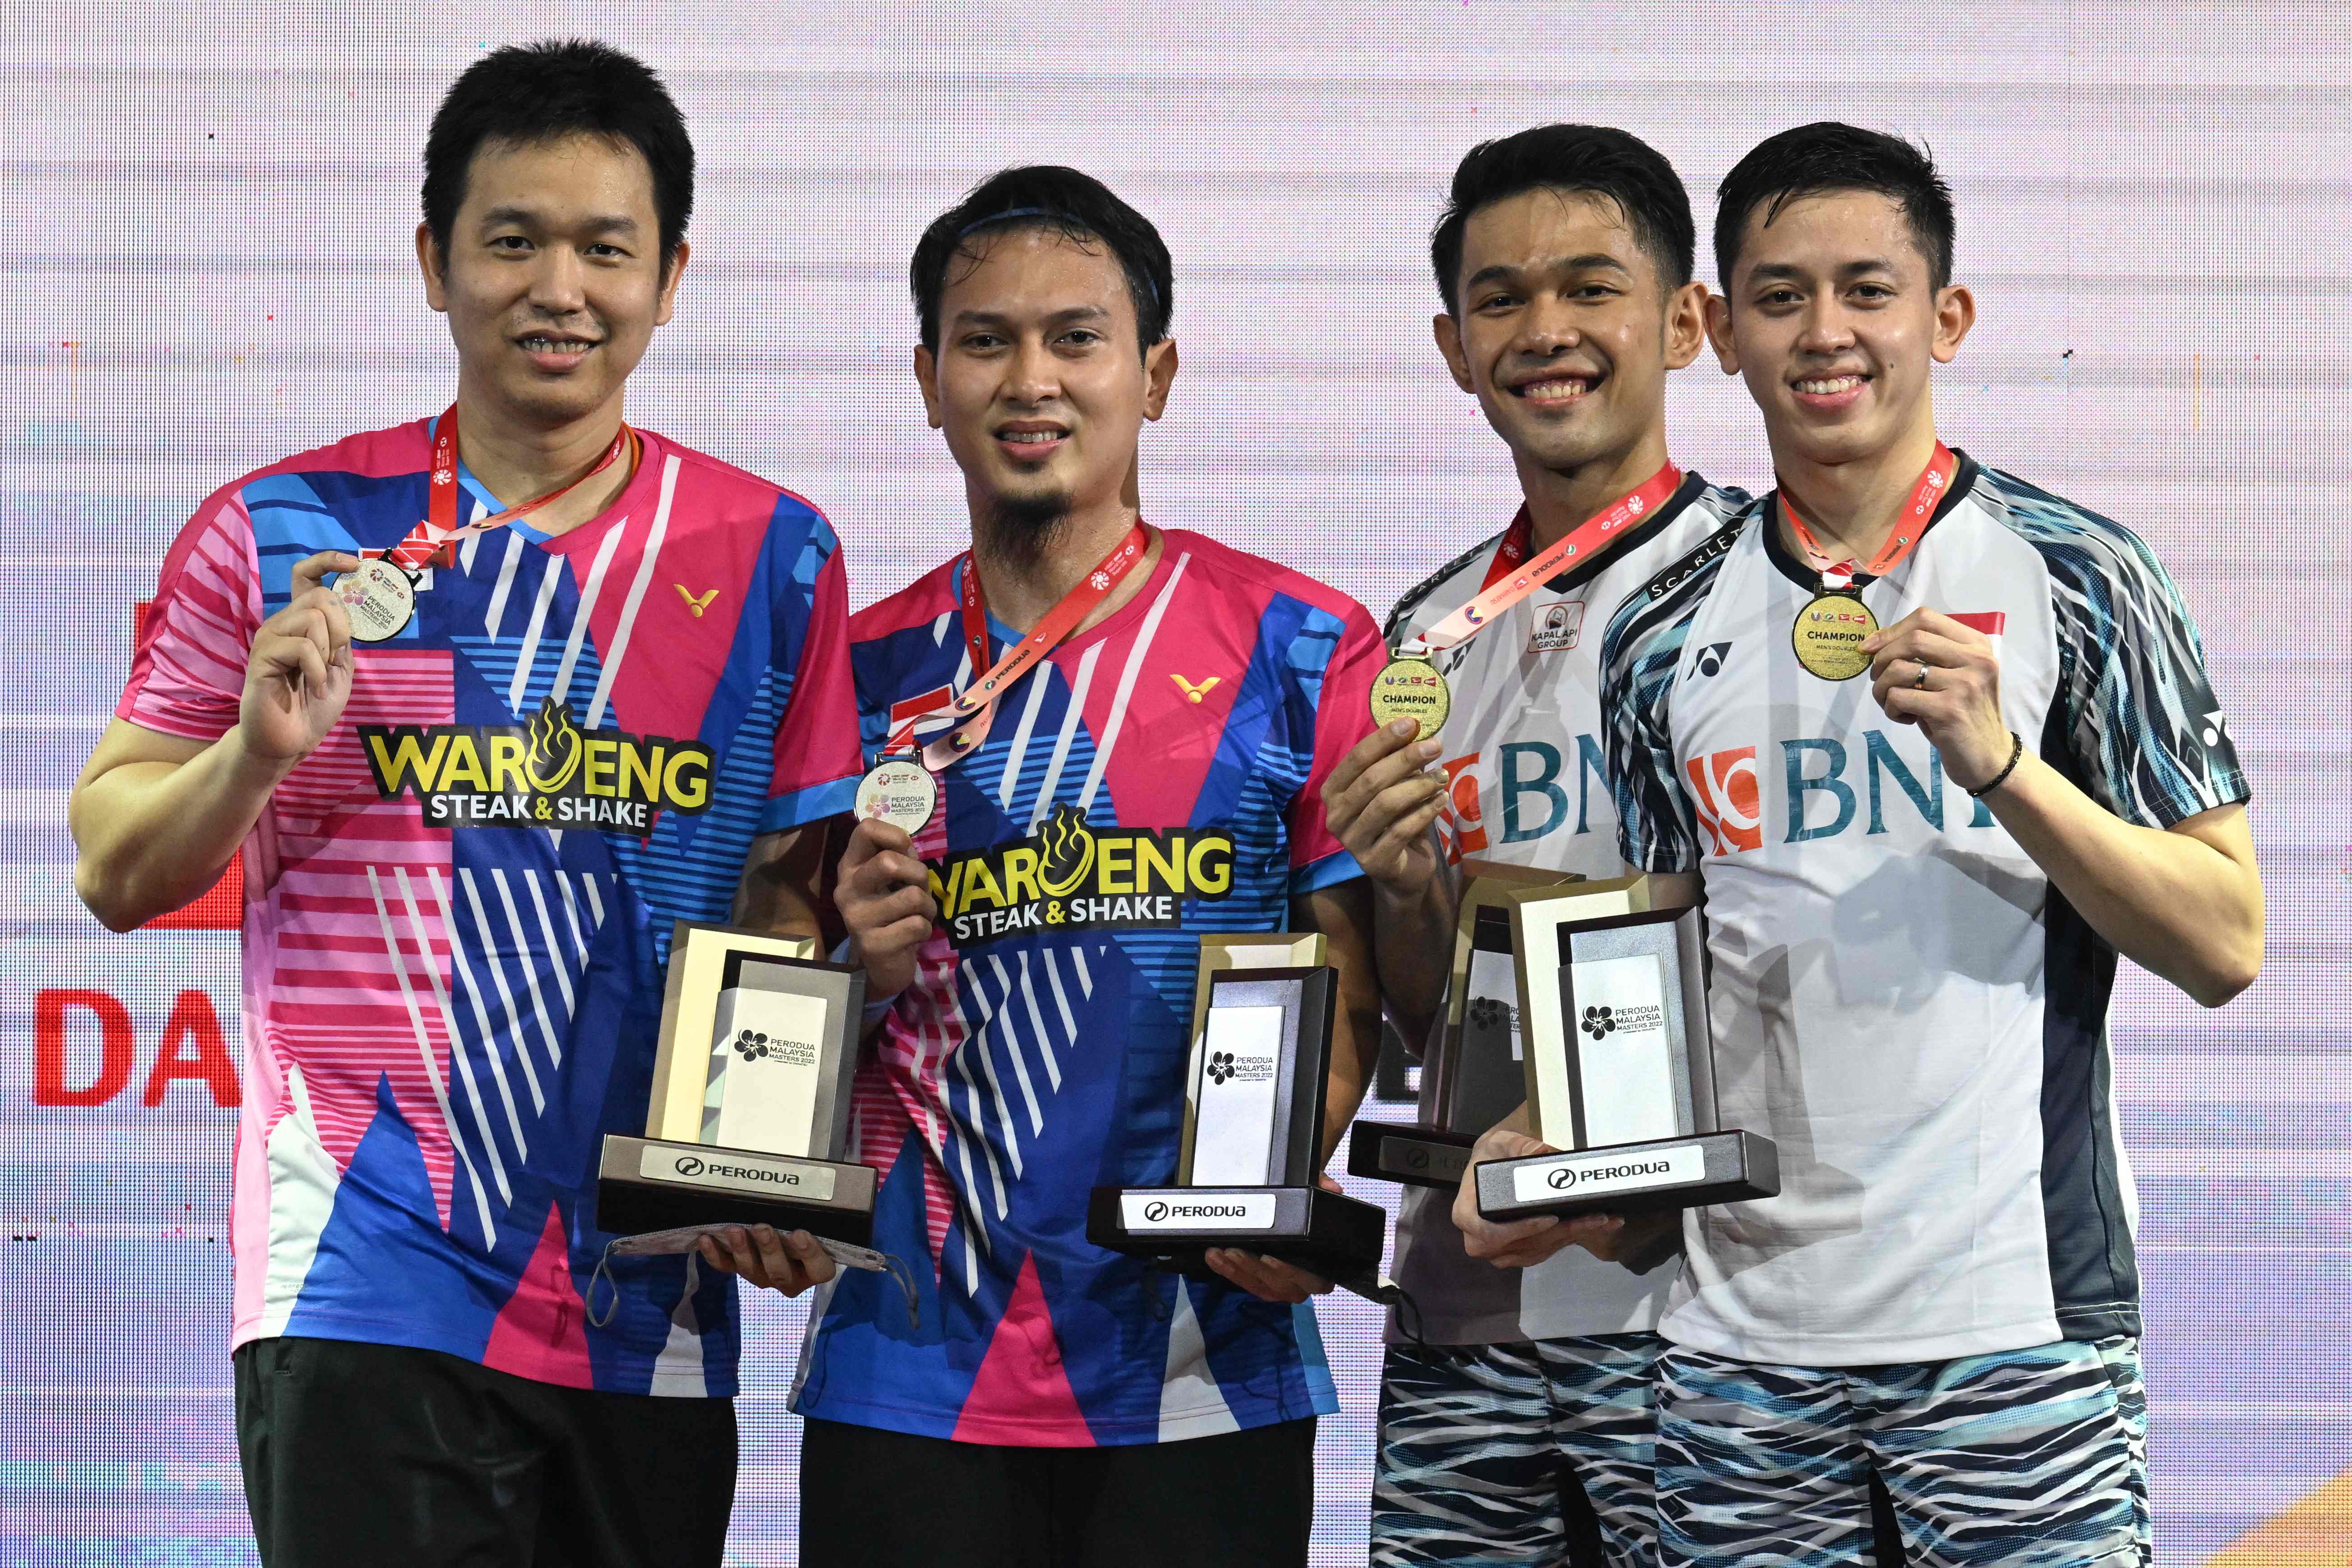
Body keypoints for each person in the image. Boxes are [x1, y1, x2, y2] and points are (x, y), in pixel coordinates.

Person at [67, 40, 862, 1568]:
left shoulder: (774, 555)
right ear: (434, 262)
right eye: (512, 241)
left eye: (603, 249)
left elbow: (789, 892)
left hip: (648, 1293)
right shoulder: (284, 533)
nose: (559, 287)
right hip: (364, 1277)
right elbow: (114, 866)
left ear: (671, 275)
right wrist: (252, 752)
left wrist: (759, 1162)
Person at [704, 163, 1389, 1567]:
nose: (1033, 379)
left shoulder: (1302, 641)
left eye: (1077, 337)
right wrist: (845, 986)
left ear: (1157, 370)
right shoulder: (859, 665)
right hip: (912, 1367)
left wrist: (1270, 1195)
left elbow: (1349, 994)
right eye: (986, 339)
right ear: (928, 376)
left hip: (1202, 1364)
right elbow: (775, 959)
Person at [1601, 122, 2263, 1565]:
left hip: (2015, 1328)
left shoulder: (2080, 571)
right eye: (1778, 296)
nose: (1824, 334)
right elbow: (1648, 972)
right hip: (1735, 1356)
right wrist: (1570, 1145)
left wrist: (2006, 767)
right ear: (1716, 330)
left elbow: (2225, 941)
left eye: (1867, 290)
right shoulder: (1656, 628)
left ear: (1945, 317)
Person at [1317, 124, 1746, 1568]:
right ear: (1451, 344)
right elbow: (1431, 1010)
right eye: (1501, 299)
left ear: (1687, 320)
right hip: (1474, 1312)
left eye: (1589, 288)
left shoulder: (1784, 599)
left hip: (1719, 1325)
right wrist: (1406, 886)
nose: (1545, 331)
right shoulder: (1420, 639)